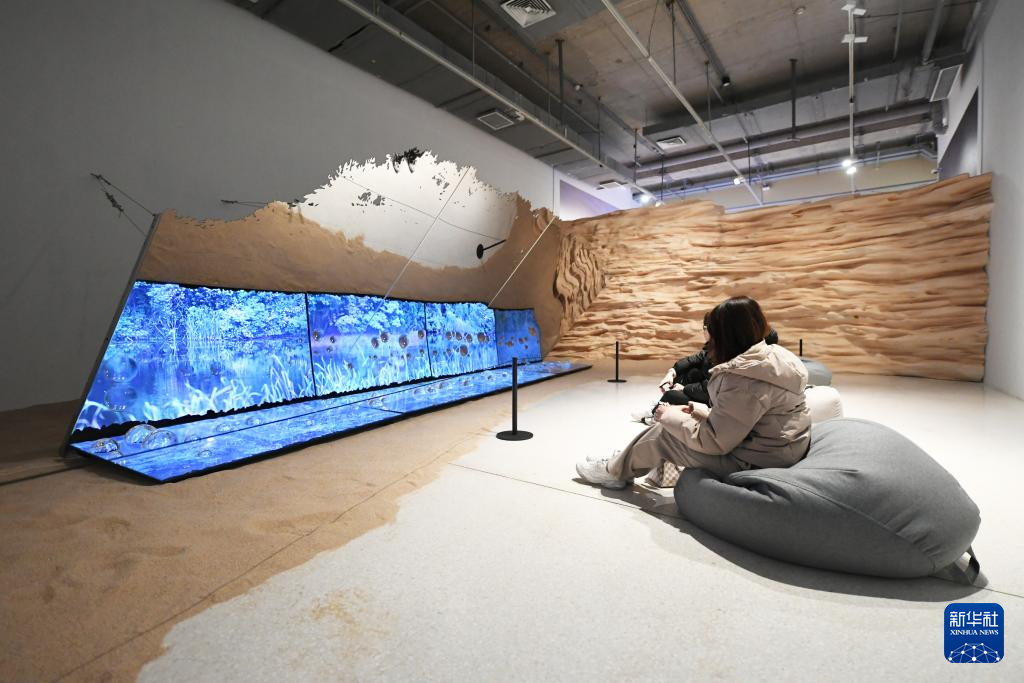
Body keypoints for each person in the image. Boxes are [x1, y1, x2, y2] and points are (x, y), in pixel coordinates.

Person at [578, 296, 810, 489]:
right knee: (677, 420)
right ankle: (620, 460)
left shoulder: (743, 378)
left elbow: (716, 442)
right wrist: (700, 410)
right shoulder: (774, 357)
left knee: (664, 435)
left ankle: (613, 472)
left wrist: (668, 415)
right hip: (779, 448)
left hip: (757, 461)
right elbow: (747, 419)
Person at [632, 314, 780, 425]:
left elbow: (711, 387)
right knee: (691, 372)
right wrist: (672, 372)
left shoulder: (738, 356)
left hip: (714, 402)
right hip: (713, 394)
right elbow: (696, 358)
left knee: (673, 394)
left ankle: (657, 413)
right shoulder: (729, 348)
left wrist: (684, 389)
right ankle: (664, 406)